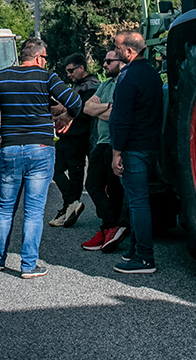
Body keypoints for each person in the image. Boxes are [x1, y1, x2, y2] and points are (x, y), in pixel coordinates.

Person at [0, 38, 81, 278]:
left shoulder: (1, 77)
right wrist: (66, 116)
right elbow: (75, 102)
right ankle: (28, 265)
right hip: (41, 149)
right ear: (40, 57)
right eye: (45, 59)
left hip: (10, 149)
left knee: (4, 209)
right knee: (33, 211)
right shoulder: (47, 77)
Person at [109, 32, 164, 273]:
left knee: (137, 202)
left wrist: (116, 152)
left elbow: (121, 118)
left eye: (118, 48)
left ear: (130, 52)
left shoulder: (127, 77)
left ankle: (144, 256)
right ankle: (133, 249)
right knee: (136, 201)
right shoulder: (153, 74)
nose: (116, 51)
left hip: (132, 147)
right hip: (151, 144)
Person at [81, 49, 128, 252]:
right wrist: (108, 107)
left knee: (114, 188)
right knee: (92, 184)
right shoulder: (105, 85)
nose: (105, 65)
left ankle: (109, 227)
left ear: (121, 62)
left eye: (109, 61)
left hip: (115, 142)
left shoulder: (124, 84)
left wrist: (103, 110)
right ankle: (111, 225)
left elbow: (117, 116)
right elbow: (87, 109)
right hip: (100, 142)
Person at [48, 53, 98, 228]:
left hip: (79, 137)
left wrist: (64, 112)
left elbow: (83, 110)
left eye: (71, 71)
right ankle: (70, 205)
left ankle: (69, 207)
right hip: (67, 136)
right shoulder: (77, 86)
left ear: (81, 68)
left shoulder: (91, 86)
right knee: (56, 170)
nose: (68, 74)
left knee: (75, 175)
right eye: (67, 71)